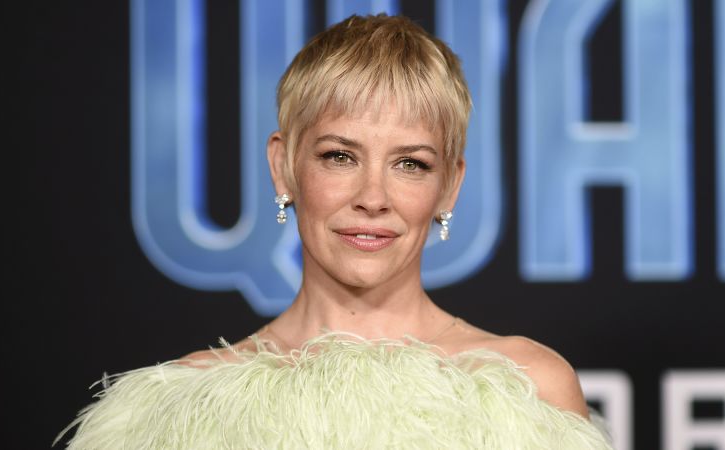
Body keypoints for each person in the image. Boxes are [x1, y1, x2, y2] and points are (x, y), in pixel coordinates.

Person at [58, 14, 612, 449]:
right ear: (283, 167)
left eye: (410, 164)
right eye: (340, 156)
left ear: (449, 186)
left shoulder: (527, 391)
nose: (372, 197)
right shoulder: (176, 411)